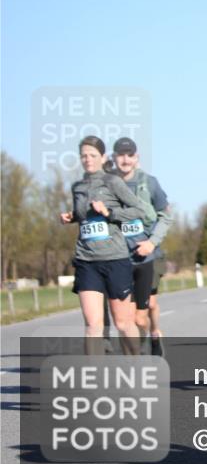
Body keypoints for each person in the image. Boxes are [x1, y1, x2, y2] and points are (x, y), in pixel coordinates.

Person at [60, 136, 156, 355]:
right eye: (84, 156)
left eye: (93, 155)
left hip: (115, 259)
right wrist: (72, 217)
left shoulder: (113, 182)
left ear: (102, 157)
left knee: (123, 324)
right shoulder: (78, 187)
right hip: (86, 261)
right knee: (93, 326)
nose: (88, 159)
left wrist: (109, 213)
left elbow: (139, 211)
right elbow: (84, 215)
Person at [111, 137, 173, 356]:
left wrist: (151, 242)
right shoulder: (107, 184)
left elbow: (166, 216)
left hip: (148, 255)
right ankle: (132, 361)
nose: (125, 160)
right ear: (113, 158)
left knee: (147, 309)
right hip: (118, 259)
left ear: (136, 158)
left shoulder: (149, 183)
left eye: (130, 155)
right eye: (120, 155)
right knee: (124, 318)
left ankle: (154, 333)